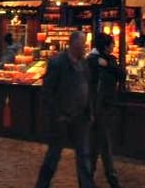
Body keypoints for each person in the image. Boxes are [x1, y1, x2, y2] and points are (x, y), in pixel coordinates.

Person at [35, 30, 95, 188]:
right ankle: (42, 184)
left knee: (84, 154)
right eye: (83, 43)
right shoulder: (58, 63)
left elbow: (87, 86)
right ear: (75, 44)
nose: (85, 46)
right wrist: (57, 114)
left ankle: (87, 185)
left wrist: (88, 109)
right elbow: (47, 91)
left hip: (80, 115)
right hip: (62, 116)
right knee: (54, 154)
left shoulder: (83, 63)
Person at [88, 33, 125, 188]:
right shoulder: (93, 61)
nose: (114, 46)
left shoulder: (107, 60)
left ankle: (88, 177)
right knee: (104, 145)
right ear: (105, 45)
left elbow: (121, 75)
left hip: (100, 108)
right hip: (100, 108)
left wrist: (107, 65)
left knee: (97, 144)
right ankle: (112, 180)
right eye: (112, 44)